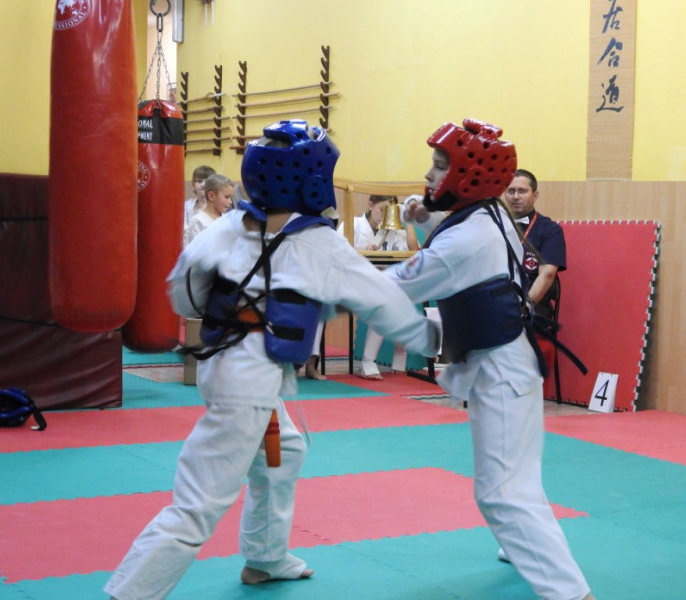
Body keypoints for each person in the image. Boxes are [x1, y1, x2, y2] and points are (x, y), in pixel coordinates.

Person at [104, 120, 439, 600]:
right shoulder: (321, 243)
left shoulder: (227, 225)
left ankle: (265, 556)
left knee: (285, 453)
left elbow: (182, 294)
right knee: (198, 504)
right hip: (249, 382)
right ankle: (128, 593)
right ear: (313, 180)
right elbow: (386, 306)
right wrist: (439, 340)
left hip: (222, 364)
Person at [385, 118, 593, 600]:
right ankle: (522, 549)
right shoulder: (491, 214)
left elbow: (392, 286)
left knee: (502, 493)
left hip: (502, 372)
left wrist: (317, 289)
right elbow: (447, 235)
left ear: (467, 177)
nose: (430, 175)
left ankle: (572, 594)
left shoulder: (467, 239)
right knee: (519, 482)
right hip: (509, 364)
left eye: (440, 166)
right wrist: (422, 216)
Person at [339, 194, 419, 379]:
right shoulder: (353, 225)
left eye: (389, 212)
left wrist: (408, 221)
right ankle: (368, 361)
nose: (384, 216)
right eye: (381, 210)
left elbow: (413, 250)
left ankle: (400, 355)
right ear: (370, 205)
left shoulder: (392, 229)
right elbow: (337, 252)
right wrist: (362, 253)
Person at [504, 169, 566, 322]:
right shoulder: (495, 225)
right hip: (497, 301)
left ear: (535, 195)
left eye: (522, 191)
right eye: (511, 191)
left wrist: (526, 306)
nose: (516, 196)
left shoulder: (550, 230)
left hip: (532, 305)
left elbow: (547, 274)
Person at [183, 173, 234, 246]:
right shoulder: (198, 222)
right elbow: (192, 250)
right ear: (211, 196)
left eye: (231, 198)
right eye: (226, 197)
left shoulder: (227, 219)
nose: (230, 202)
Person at [183, 165, 216, 231]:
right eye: (199, 181)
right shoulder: (187, 205)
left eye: (207, 182)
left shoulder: (216, 207)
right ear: (193, 184)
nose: (203, 185)